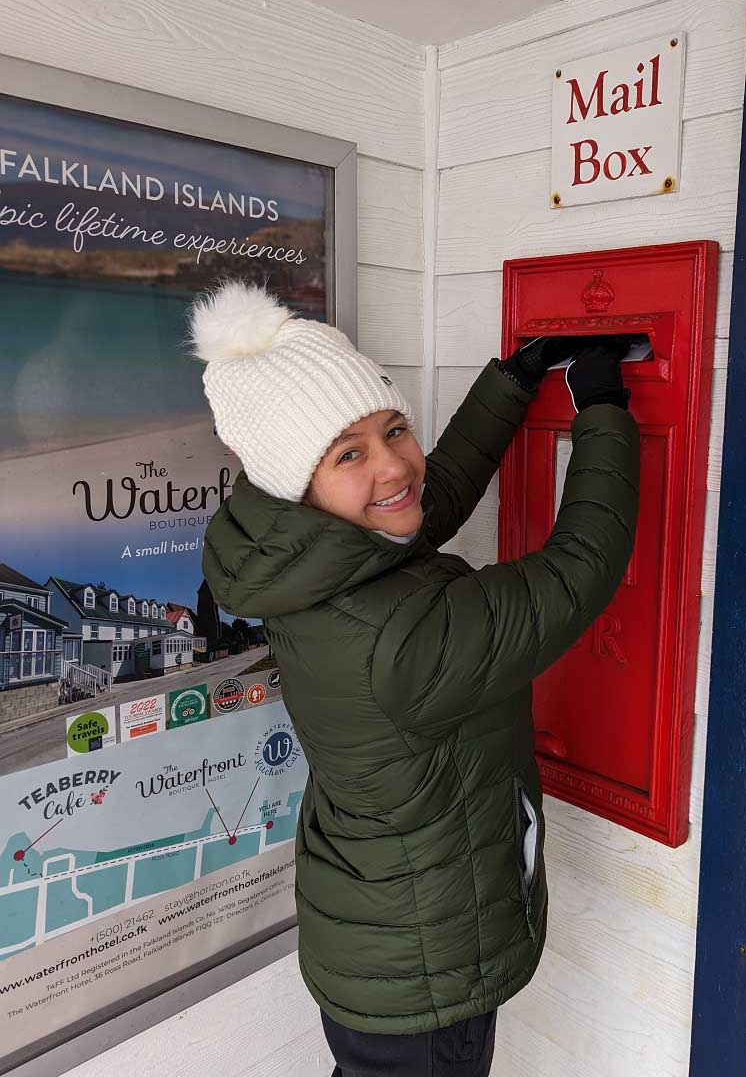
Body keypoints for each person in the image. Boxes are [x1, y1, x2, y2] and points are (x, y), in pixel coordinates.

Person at [186, 279, 639, 1077]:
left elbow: (427, 497)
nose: (394, 464)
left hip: (369, 926)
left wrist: (517, 378)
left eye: (394, 429)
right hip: (421, 973)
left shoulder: (303, 555)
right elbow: (579, 572)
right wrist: (603, 405)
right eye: (350, 453)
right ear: (301, 480)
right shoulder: (400, 637)